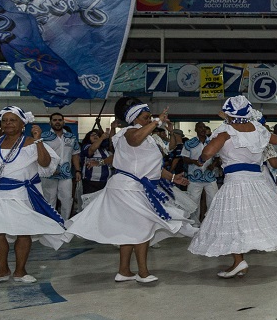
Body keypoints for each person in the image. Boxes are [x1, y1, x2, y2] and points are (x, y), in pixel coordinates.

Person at [65, 102, 195, 283]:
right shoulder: (128, 133)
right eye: (145, 117)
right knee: (143, 228)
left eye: (150, 117)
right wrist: (156, 122)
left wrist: (173, 178)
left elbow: (152, 166)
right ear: (134, 119)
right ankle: (143, 272)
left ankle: (124, 271)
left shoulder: (149, 138)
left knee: (130, 229)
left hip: (135, 187)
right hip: (127, 187)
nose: (149, 119)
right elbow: (135, 140)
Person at [188, 96, 277, 277]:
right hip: (257, 182)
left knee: (232, 221)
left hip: (236, 182)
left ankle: (239, 260)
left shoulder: (225, 131)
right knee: (250, 219)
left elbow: (208, 152)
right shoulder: (259, 129)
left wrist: (200, 160)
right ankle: (239, 261)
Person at [0, 106, 66, 285]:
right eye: (5, 120)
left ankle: (20, 271)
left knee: (23, 232)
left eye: (12, 120)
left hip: (22, 194)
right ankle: (2, 270)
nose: (8, 123)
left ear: (22, 123)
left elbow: (46, 163)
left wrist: (38, 140)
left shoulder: (31, 143)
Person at [40, 112, 81, 220]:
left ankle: (65, 223)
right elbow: (39, 155)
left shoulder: (71, 137)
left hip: (66, 174)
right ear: (50, 122)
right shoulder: (43, 137)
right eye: (54, 120)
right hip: (49, 174)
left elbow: (75, 154)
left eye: (59, 120)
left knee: (67, 199)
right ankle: (50, 224)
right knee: (49, 200)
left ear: (63, 121)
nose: (57, 122)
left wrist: (77, 170)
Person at [181, 122, 219, 226]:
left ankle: (211, 223)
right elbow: (184, 158)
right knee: (193, 202)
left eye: (204, 127)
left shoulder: (212, 142)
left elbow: (218, 156)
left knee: (214, 200)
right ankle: (194, 224)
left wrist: (214, 164)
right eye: (200, 127)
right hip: (194, 178)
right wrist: (193, 161)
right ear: (195, 129)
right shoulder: (189, 143)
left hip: (209, 177)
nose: (202, 129)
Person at [80, 126, 115, 195]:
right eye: (92, 135)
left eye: (97, 135)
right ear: (88, 138)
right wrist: (101, 137)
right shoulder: (86, 146)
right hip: (91, 182)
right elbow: (91, 150)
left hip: (106, 182)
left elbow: (112, 143)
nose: (95, 136)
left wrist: (113, 128)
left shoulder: (105, 150)